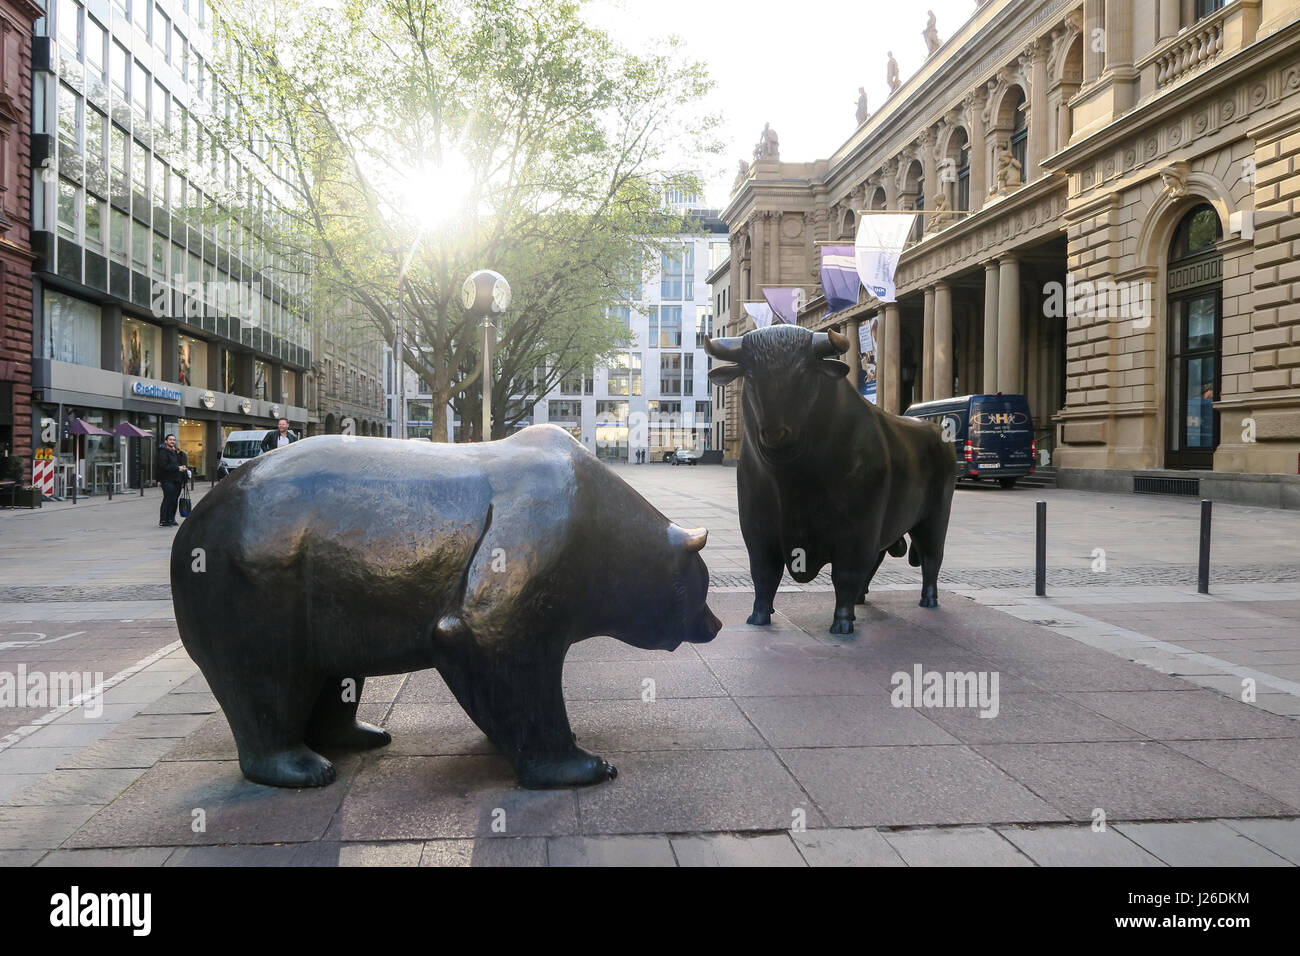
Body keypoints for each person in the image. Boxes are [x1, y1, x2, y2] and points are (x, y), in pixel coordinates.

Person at [156, 434, 189, 527]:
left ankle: (171, 518)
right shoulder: (163, 452)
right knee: (168, 499)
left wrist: (185, 479)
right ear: (166, 441)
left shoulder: (177, 452)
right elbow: (162, 467)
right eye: (170, 440)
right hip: (167, 480)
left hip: (178, 480)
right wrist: (177, 468)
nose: (172, 441)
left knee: (174, 500)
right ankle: (163, 520)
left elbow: (182, 465)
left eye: (174, 440)